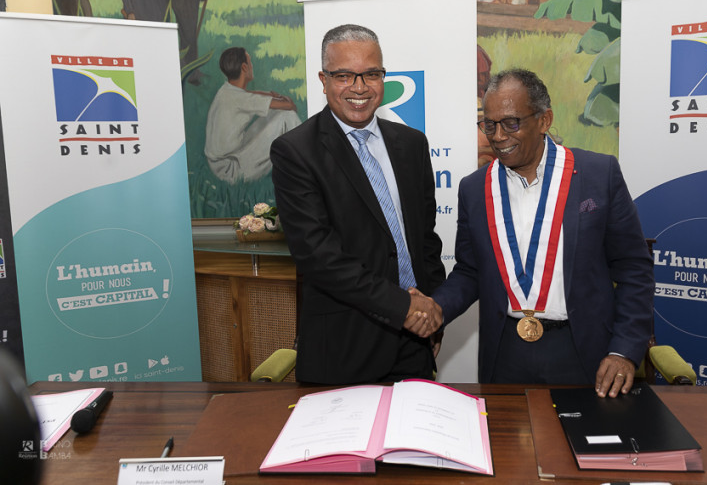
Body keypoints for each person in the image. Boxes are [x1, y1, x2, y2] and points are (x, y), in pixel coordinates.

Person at [423, 69, 654, 396]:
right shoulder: (475, 189)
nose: (498, 136)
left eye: (511, 123)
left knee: (579, 447)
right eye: (489, 124)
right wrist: (437, 308)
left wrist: (623, 350)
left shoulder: (598, 175)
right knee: (503, 446)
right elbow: (471, 271)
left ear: (544, 120)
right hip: (505, 354)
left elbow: (634, 269)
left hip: (583, 351)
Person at [270, 24, 445, 384]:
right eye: (344, 75)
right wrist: (405, 307)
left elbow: (425, 241)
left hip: (416, 344)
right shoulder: (296, 152)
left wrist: (433, 311)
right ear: (323, 79)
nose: (359, 87)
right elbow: (320, 257)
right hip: (345, 349)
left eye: (371, 74)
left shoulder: (411, 144)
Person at [204, 47, 301, 185]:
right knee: (288, 115)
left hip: (223, 162)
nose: (252, 66)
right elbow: (290, 106)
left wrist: (270, 95)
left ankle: (293, 166)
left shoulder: (226, 92)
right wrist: (284, 100)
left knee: (274, 112)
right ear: (244, 67)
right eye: (250, 62)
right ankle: (303, 167)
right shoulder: (240, 99)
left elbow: (251, 95)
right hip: (231, 169)